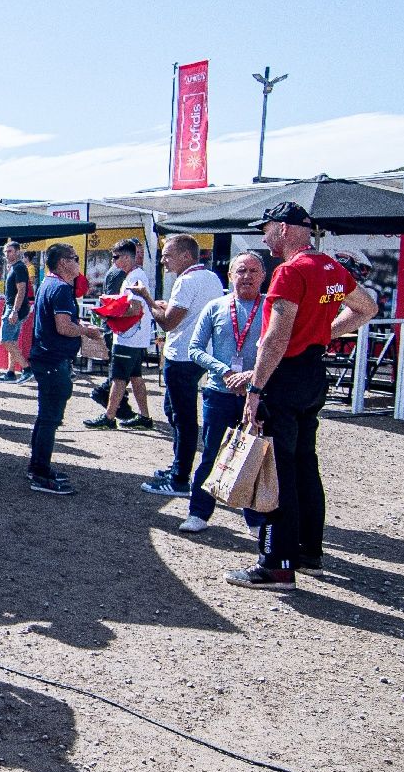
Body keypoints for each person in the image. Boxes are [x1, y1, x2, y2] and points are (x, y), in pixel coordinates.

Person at [228, 202, 378, 588]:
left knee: (280, 469)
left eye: (266, 229)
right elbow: (366, 308)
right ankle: (310, 552)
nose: (263, 237)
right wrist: (322, 335)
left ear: (282, 229)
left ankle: (276, 564)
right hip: (312, 373)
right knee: (305, 465)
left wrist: (256, 389)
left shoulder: (290, 271)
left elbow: (276, 338)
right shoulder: (330, 266)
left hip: (287, 376)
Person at [128, 234, 225, 496]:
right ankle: (178, 468)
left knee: (182, 417)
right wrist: (165, 307)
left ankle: (180, 477)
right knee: (174, 412)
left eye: (167, 255)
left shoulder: (186, 281)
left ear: (186, 256)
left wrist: (148, 299)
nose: (163, 260)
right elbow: (188, 313)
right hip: (199, 354)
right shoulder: (211, 277)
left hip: (181, 356)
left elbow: (168, 323)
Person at [181, 251, 268, 534]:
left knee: (255, 455)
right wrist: (225, 371)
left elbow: (280, 352)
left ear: (263, 276)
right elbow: (194, 349)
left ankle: (255, 520)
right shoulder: (215, 307)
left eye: (253, 271)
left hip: (257, 395)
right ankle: (199, 513)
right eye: (240, 271)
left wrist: (252, 376)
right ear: (230, 276)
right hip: (219, 392)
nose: (247, 277)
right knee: (211, 454)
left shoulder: (271, 309)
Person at [26, 242, 100, 495]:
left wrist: (78, 325)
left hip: (48, 358)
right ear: (63, 263)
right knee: (50, 418)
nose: (79, 263)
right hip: (53, 359)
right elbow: (63, 327)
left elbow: (61, 323)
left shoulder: (50, 284)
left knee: (45, 416)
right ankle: (40, 473)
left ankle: (37, 466)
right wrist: (87, 331)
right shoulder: (59, 288)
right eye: (75, 258)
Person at [84, 238, 155, 430]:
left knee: (118, 377)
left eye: (115, 257)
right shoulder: (134, 275)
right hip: (134, 336)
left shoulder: (134, 277)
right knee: (135, 376)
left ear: (125, 257)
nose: (113, 262)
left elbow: (134, 308)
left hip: (128, 336)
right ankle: (144, 417)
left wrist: (107, 312)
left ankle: (109, 417)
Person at [0, 240, 32, 382]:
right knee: (12, 341)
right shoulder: (15, 267)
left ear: (17, 251)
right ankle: (10, 372)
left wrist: (14, 311)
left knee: (5, 340)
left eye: (10, 251)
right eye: (5, 251)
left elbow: (22, 290)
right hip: (13, 307)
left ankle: (26, 369)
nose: (6, 254)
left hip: (15, 308)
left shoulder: (19, 267)